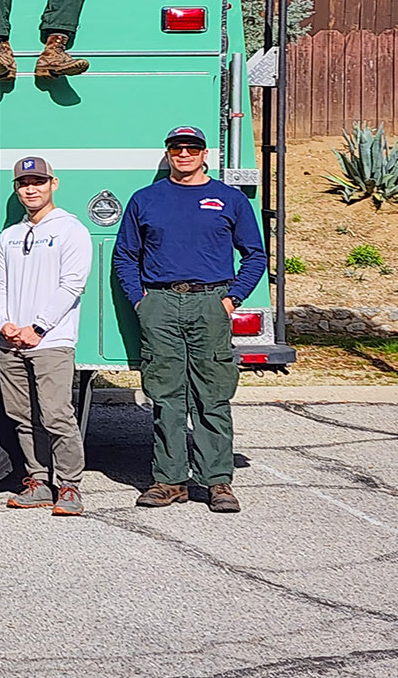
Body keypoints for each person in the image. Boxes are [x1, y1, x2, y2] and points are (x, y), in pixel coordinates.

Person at [113, 126, 268, 514]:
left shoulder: (229, 199)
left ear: (204, 155)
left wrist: (231, 299)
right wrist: (140, 301)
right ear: (167, 154)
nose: (184, 154)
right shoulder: (146, 199)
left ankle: (217, 482)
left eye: (192, 148)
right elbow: (125, 256)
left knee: (212, 396)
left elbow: (255, 255)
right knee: (165, 396)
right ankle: (169, 480)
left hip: (210, 303)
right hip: (160, 304)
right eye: (176, 148)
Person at [0, 156, 93, 517]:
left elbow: (72, 285)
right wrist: (3, 323)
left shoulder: (71, 230)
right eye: (23, 184)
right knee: (21, 416)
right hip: (11, 340)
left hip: (51, 341)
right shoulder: (10, 236)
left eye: (38, 182)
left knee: (56, 415)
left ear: (54, 184)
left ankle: (68, 485)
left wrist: (38, 327)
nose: (30, 189)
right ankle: (38, 480)